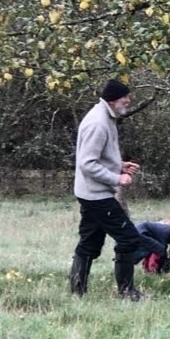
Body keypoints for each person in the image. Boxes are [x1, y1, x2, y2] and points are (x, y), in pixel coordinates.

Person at [69, 78, 158, 301]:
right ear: (113, 99)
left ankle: (77, 289)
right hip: (97, 196)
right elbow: (87, 163)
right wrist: (117, 178)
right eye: (125, 97)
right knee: (129, 238)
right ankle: (127, 292)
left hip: (90, 193)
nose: (128, 101)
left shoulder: (105, 117)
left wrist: (118, 165)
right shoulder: (98, 123)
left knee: (89, 243)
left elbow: (96, 157)